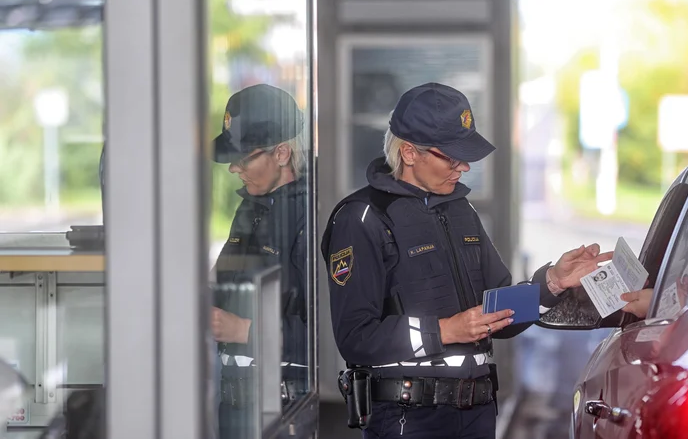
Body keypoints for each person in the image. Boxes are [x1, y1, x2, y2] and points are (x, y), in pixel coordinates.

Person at [321, 82, 612, 439]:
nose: (464, 166)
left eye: (466, 154)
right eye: (451, 156)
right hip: (406, 420)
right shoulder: (362, 218)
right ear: (410, 153)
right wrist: (446, 331)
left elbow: (497, 313)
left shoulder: (461, 211)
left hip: (477, 413)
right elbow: (356, 336)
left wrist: (551, 282)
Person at [210, 84, 308, 439]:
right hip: (235, 409)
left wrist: (244, 331)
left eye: (244, 158)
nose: (234, 168)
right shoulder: (251, 207)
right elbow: (226, 285)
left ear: (281, 153)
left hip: (285, 413)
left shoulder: (313, 218)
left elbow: (335, 334)